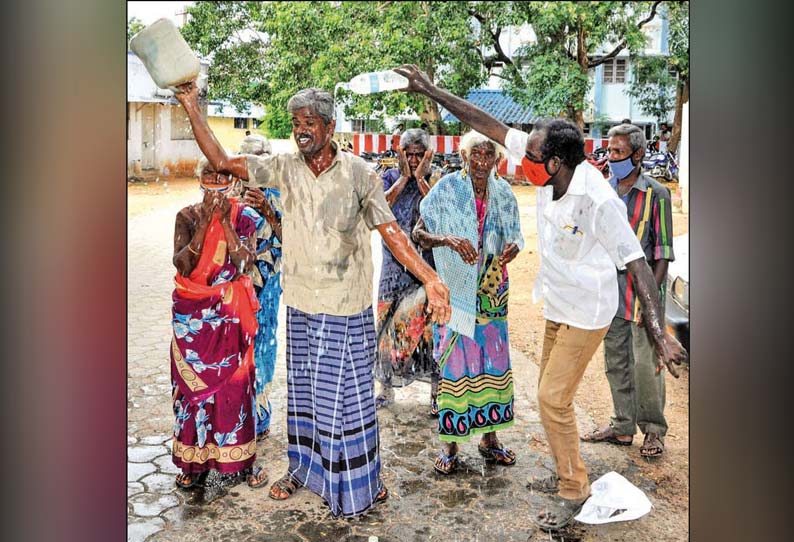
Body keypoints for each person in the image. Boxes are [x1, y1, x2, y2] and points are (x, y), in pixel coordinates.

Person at [393, 64, 687, 531]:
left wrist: (659, 331)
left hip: (588, 312)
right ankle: (565, 470)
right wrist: (431, 89)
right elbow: (483, 122)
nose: (519, 157)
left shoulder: (597, 200)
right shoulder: (548, 166)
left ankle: (573, 490)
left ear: (554, 163)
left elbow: (636, 264)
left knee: (551, 398)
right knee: (552, 397)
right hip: (555, 304)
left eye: (530, 154)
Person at [173, 82, 451, 518]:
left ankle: (364, 480)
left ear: (330, 126)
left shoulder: (361, 173)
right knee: (304, 396)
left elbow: (392, 232)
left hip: (345, 305)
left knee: (349, 399)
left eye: (309, 123)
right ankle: (302, 470)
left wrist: (431, 278)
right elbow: (223, 160)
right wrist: (191, 105)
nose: (301, 131)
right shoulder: (284, 167)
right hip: (301, 303)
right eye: (296, 124)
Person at [412, 130, 523, 475]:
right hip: (456, 291)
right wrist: (448, 240)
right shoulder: (446, 189)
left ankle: (490, 439)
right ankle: (451, 444)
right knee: (455, 365)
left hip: (492, 291)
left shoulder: (503, 192)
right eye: (475, 154)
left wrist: (514, 247)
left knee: (492, 364)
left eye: (488, 155)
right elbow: (418, 232)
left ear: (496, 160)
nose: (481, 162)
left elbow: (516, 235)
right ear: (463, 156)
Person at [170, 158, 269, 503]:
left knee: (235, 389)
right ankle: (192, 464)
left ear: (232, 181)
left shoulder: (245, 218)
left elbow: (245, 263)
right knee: (191, 390)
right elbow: (183, 263)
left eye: (222, 175)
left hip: (230, 317)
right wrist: (204, 226)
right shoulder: (186, 215)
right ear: (199, 179)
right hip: (194, 318)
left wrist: (225, 223)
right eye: (208, 174)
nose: (215, 180)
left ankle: (239, 461)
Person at [580, 124, 675, 458]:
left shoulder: (656, 195)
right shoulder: (604, 191)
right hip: (609, 296)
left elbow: (662, 254)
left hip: (641, 298)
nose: (611, 157)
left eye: (618, 152)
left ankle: (653, 430)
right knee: (616, 362)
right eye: (609, 150)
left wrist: (651, 304)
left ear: (638, 155)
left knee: (646, 367)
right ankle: (622, 426)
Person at [374, 128, 440, 415]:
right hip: (392, 265)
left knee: (429, 330)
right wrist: (404, 177)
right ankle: (385, 387)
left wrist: (422, 179)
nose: (413, 160)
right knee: (387, 326)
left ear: (427, 155)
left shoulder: (438, 178)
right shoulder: (389, 176)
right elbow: (379, 207)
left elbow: (439, 211)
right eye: (408, 154)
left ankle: (437, 392)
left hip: (425, 266)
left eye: (418, 155)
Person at [238, 134, 282, 442]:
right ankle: (236, 411)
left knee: (264, 340)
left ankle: (261, 414)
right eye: (248, 161)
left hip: (268, 280)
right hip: (236, 282)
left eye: (259, 160)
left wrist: (267, 209)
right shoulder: (232, 189)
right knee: (238, 343)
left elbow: (289, 235)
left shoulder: (280, 191)